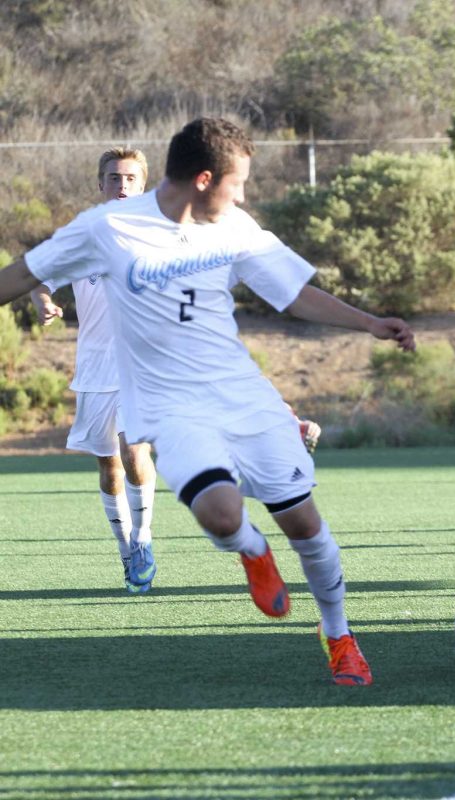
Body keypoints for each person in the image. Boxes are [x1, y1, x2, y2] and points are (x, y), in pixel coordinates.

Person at [0, 117, 416, 685]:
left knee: (305, 524)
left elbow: (292, 293)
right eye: (237, 182)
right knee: (221, 517)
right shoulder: (108, 227)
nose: (243, 195)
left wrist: (369, 323)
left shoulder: (233, 226)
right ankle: (251, 550)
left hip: (243, 395)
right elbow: (25, 272)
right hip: (170, 406)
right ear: (202, 178)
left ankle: (338, 634)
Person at [27, 148, 161, 593]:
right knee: (109, 467)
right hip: (94, 368)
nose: (121, 185)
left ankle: (143, 541)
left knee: (134, 453)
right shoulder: (83, 238)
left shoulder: (157, 236)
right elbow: (39, 278)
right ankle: (126, 553)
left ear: (142, 185)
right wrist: (45, 302)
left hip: (139, 365)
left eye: (129, 179)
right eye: (113, 178)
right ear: (100, 184)